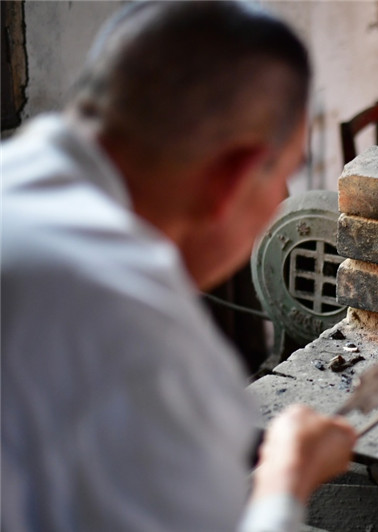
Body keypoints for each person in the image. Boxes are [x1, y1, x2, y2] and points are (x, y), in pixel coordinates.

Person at [1, 2, 357, 531]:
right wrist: (287, 479)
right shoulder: (147, 344)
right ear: (231, 181)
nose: (280, 200)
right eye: (282, 176)